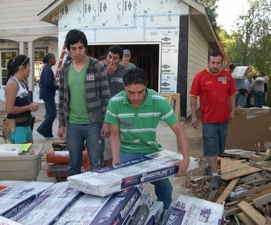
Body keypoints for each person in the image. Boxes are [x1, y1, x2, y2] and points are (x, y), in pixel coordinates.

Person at [105, 68, 190, 210]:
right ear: (124, 87)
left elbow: (179, 131)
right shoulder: (115, 102)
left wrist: (186, 158)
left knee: (165, 188)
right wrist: (115, 159)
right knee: (125, 189)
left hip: (152, 151)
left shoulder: (158, 101)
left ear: (146, 86)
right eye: (131, 92)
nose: (136, 97)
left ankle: (163, 213)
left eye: (140, 92)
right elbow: (114, 134)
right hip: (127, 150)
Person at [57, 29, 111, 175]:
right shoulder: (65, 70)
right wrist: (61, 123)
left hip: (94, 123)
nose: (77, 52)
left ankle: (97, 195)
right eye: (73, 48)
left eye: (80, 48)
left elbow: (106, 96)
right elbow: (61, 98)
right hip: (73, 124)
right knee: (73, 165)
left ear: (85, 47)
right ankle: (76, 195)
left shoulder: (96, 67)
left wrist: (106, 121)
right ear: (69, 49)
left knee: (97, 166)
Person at [190, 50, 236, 189]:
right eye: (212, 63)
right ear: (208, 62)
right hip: (208, 119)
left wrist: (232, 111)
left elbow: (232, 94)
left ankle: (210, 166)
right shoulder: (200, 77)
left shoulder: (227, 75)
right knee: (211, 146)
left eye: (218, 63)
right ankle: (215, 176)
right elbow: (193, 96)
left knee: (220, 147)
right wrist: (193, 115)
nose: (215, 66)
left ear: (221, 63)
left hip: (224, 118)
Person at [5, 54, 39, 144]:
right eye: (29, 66)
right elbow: (9, 109)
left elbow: (22, 102)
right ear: (21, 67)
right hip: (17, 127)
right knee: (21, 156)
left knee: (29, 155)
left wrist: (31, 105)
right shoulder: (12, 83)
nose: (30, 69)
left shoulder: (22, 82)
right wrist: (28, 107)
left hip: (26, 125)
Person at [34, 53, 58, 140]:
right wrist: (58, 87)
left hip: (47, 94)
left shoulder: (47, 69)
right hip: (47, 94)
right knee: (52, 114)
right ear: (50, 59)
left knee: (49, 114)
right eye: (54, 59)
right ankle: (40, 130)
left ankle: (48, 134)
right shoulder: (47, 69)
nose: (55, 60)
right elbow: (48, 83)